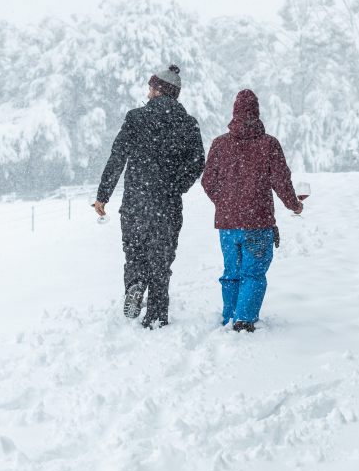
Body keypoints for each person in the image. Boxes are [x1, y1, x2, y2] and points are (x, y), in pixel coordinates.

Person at [93, 65, 205, 329]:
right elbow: (198, 161)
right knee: (161, 259)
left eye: (150, 87)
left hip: (136, 202)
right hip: (167, 205)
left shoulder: (135, 118)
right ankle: (156, 313)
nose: (148, 91)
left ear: (158, 90)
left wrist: (103, 195)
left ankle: (134, 282)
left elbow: (117, 157)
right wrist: (177, 185)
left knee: (134, 252)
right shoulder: (188, 123)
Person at [201, 89, 302, 332]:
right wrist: (294, 205)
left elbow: (207, 181)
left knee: (231, 272)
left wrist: (226, 203)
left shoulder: (219, 144)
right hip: (258, 223)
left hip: (227, 225)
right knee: (253, 273)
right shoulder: (269, 144)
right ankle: (244, 319)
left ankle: (229, 317)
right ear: (256, 113)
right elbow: (281, 181)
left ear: (234, 112)